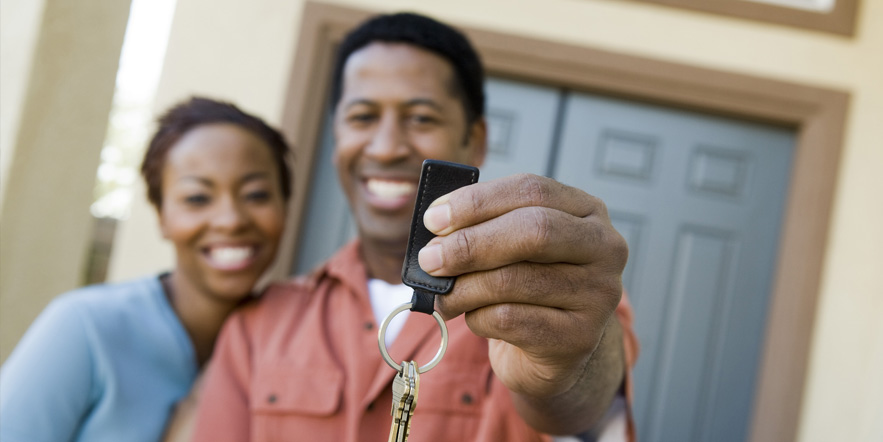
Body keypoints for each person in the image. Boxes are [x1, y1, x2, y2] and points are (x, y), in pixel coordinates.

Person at [192, 12, 639, 442]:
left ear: (475, 140)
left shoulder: (552, 294)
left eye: (422, 117)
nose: (386, 147)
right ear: (336, 136)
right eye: (362, 117)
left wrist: (566, 369)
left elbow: (585, 410)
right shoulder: (257, 325)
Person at [0, 97, 292, 442]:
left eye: (256, 195)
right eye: (197, 198)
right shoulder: (85, 326)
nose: (231, 220)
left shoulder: (295, 339)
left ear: (285, 205)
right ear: (161, 216)